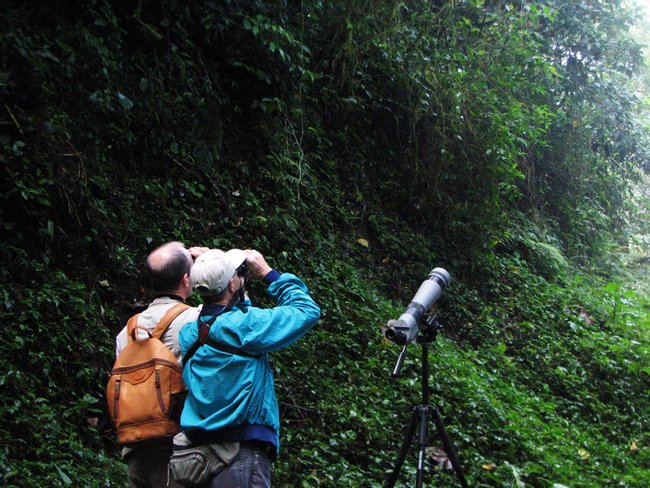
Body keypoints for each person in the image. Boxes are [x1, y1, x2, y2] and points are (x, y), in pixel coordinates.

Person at [178, 248, 321, 487]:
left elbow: (233, 322)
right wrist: (267, 273)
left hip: (196, 453)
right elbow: (306, 310)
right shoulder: (245, 327)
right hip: (240, 452)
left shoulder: (189, 333)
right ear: (232, 285)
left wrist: (210, 265)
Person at [114, 241, 207, 488]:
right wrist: (210, 263)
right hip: (180, 448)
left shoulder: (127, 331)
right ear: (187, 280)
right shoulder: (196, 319)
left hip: (136, 447)